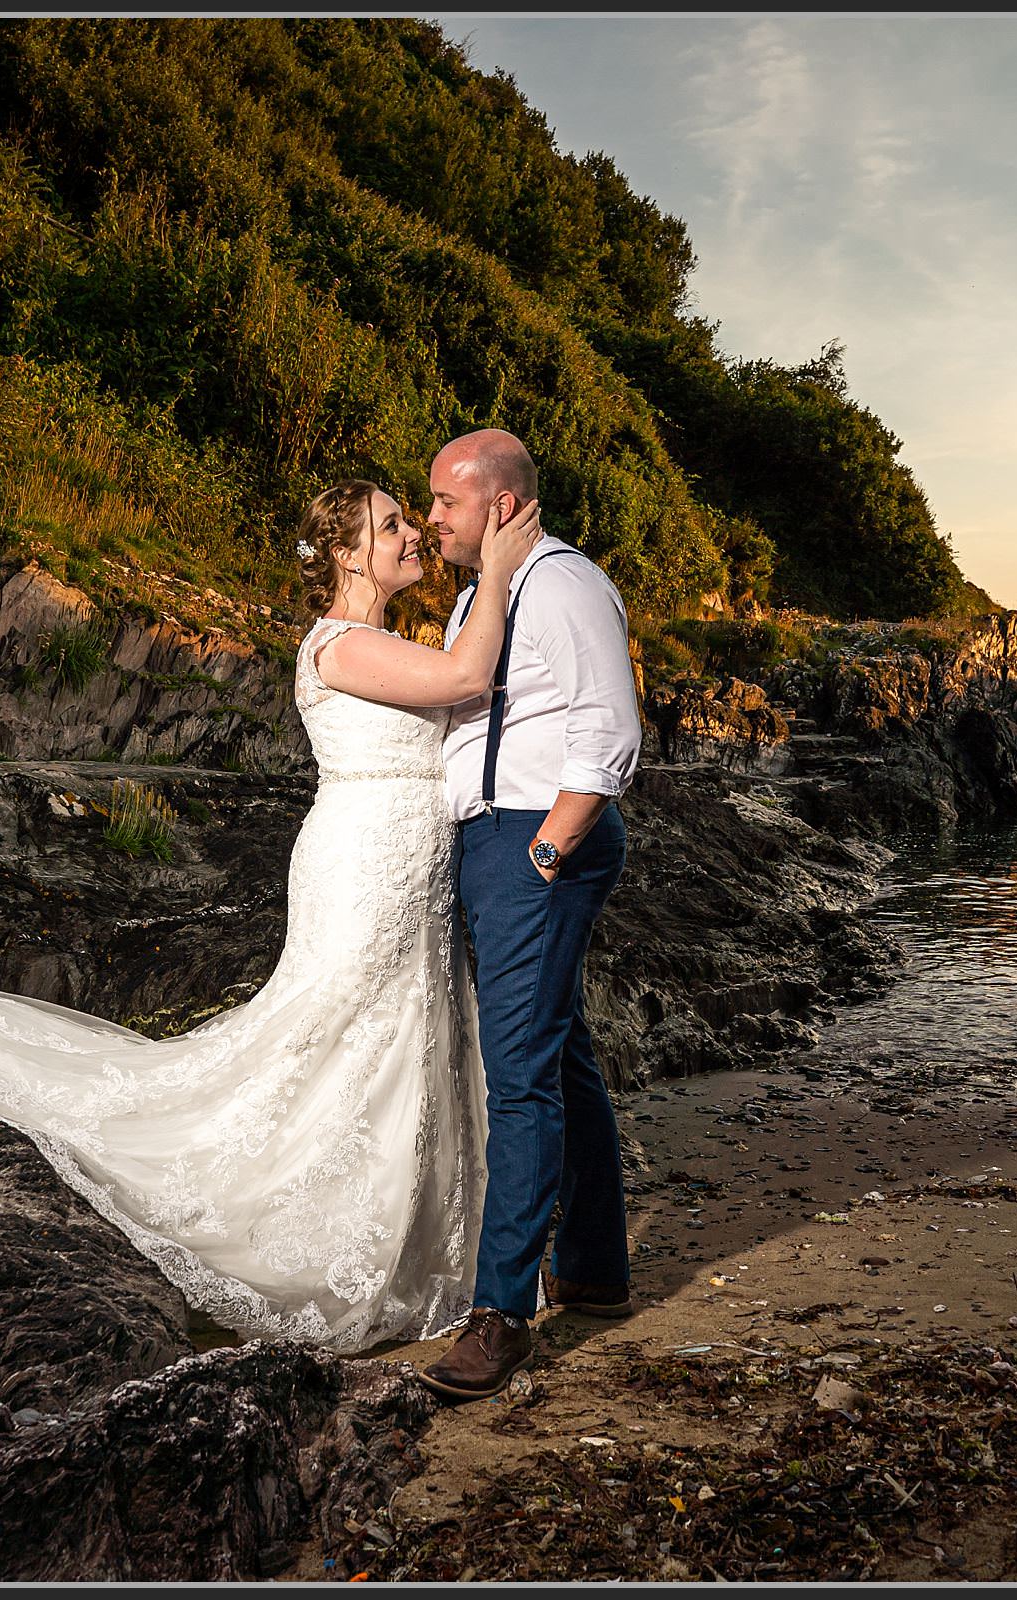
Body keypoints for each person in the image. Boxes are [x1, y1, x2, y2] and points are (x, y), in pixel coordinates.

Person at [0, 480, 543, 1354]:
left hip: (413, 865)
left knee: (404, 1029)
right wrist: (495, 569)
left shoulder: (382, 638)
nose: (411, 533)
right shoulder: (340, 647)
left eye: (407, 520)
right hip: (364, 864)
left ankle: (409, 1229)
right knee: (335, 1030)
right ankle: (309, 1222)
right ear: (346, 554)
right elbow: (466, 677)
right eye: (391, 524)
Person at [411, 427, 645, 1402]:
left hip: (533, 843)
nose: (432, 520)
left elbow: (609, 723)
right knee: (558, 1050)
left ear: (500, 502)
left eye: (445, 503)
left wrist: (550, 846)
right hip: (498, 841)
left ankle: (499, 1314)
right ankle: (592, 1267)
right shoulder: (488, 591)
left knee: (517, 1076)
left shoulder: (561, 583)